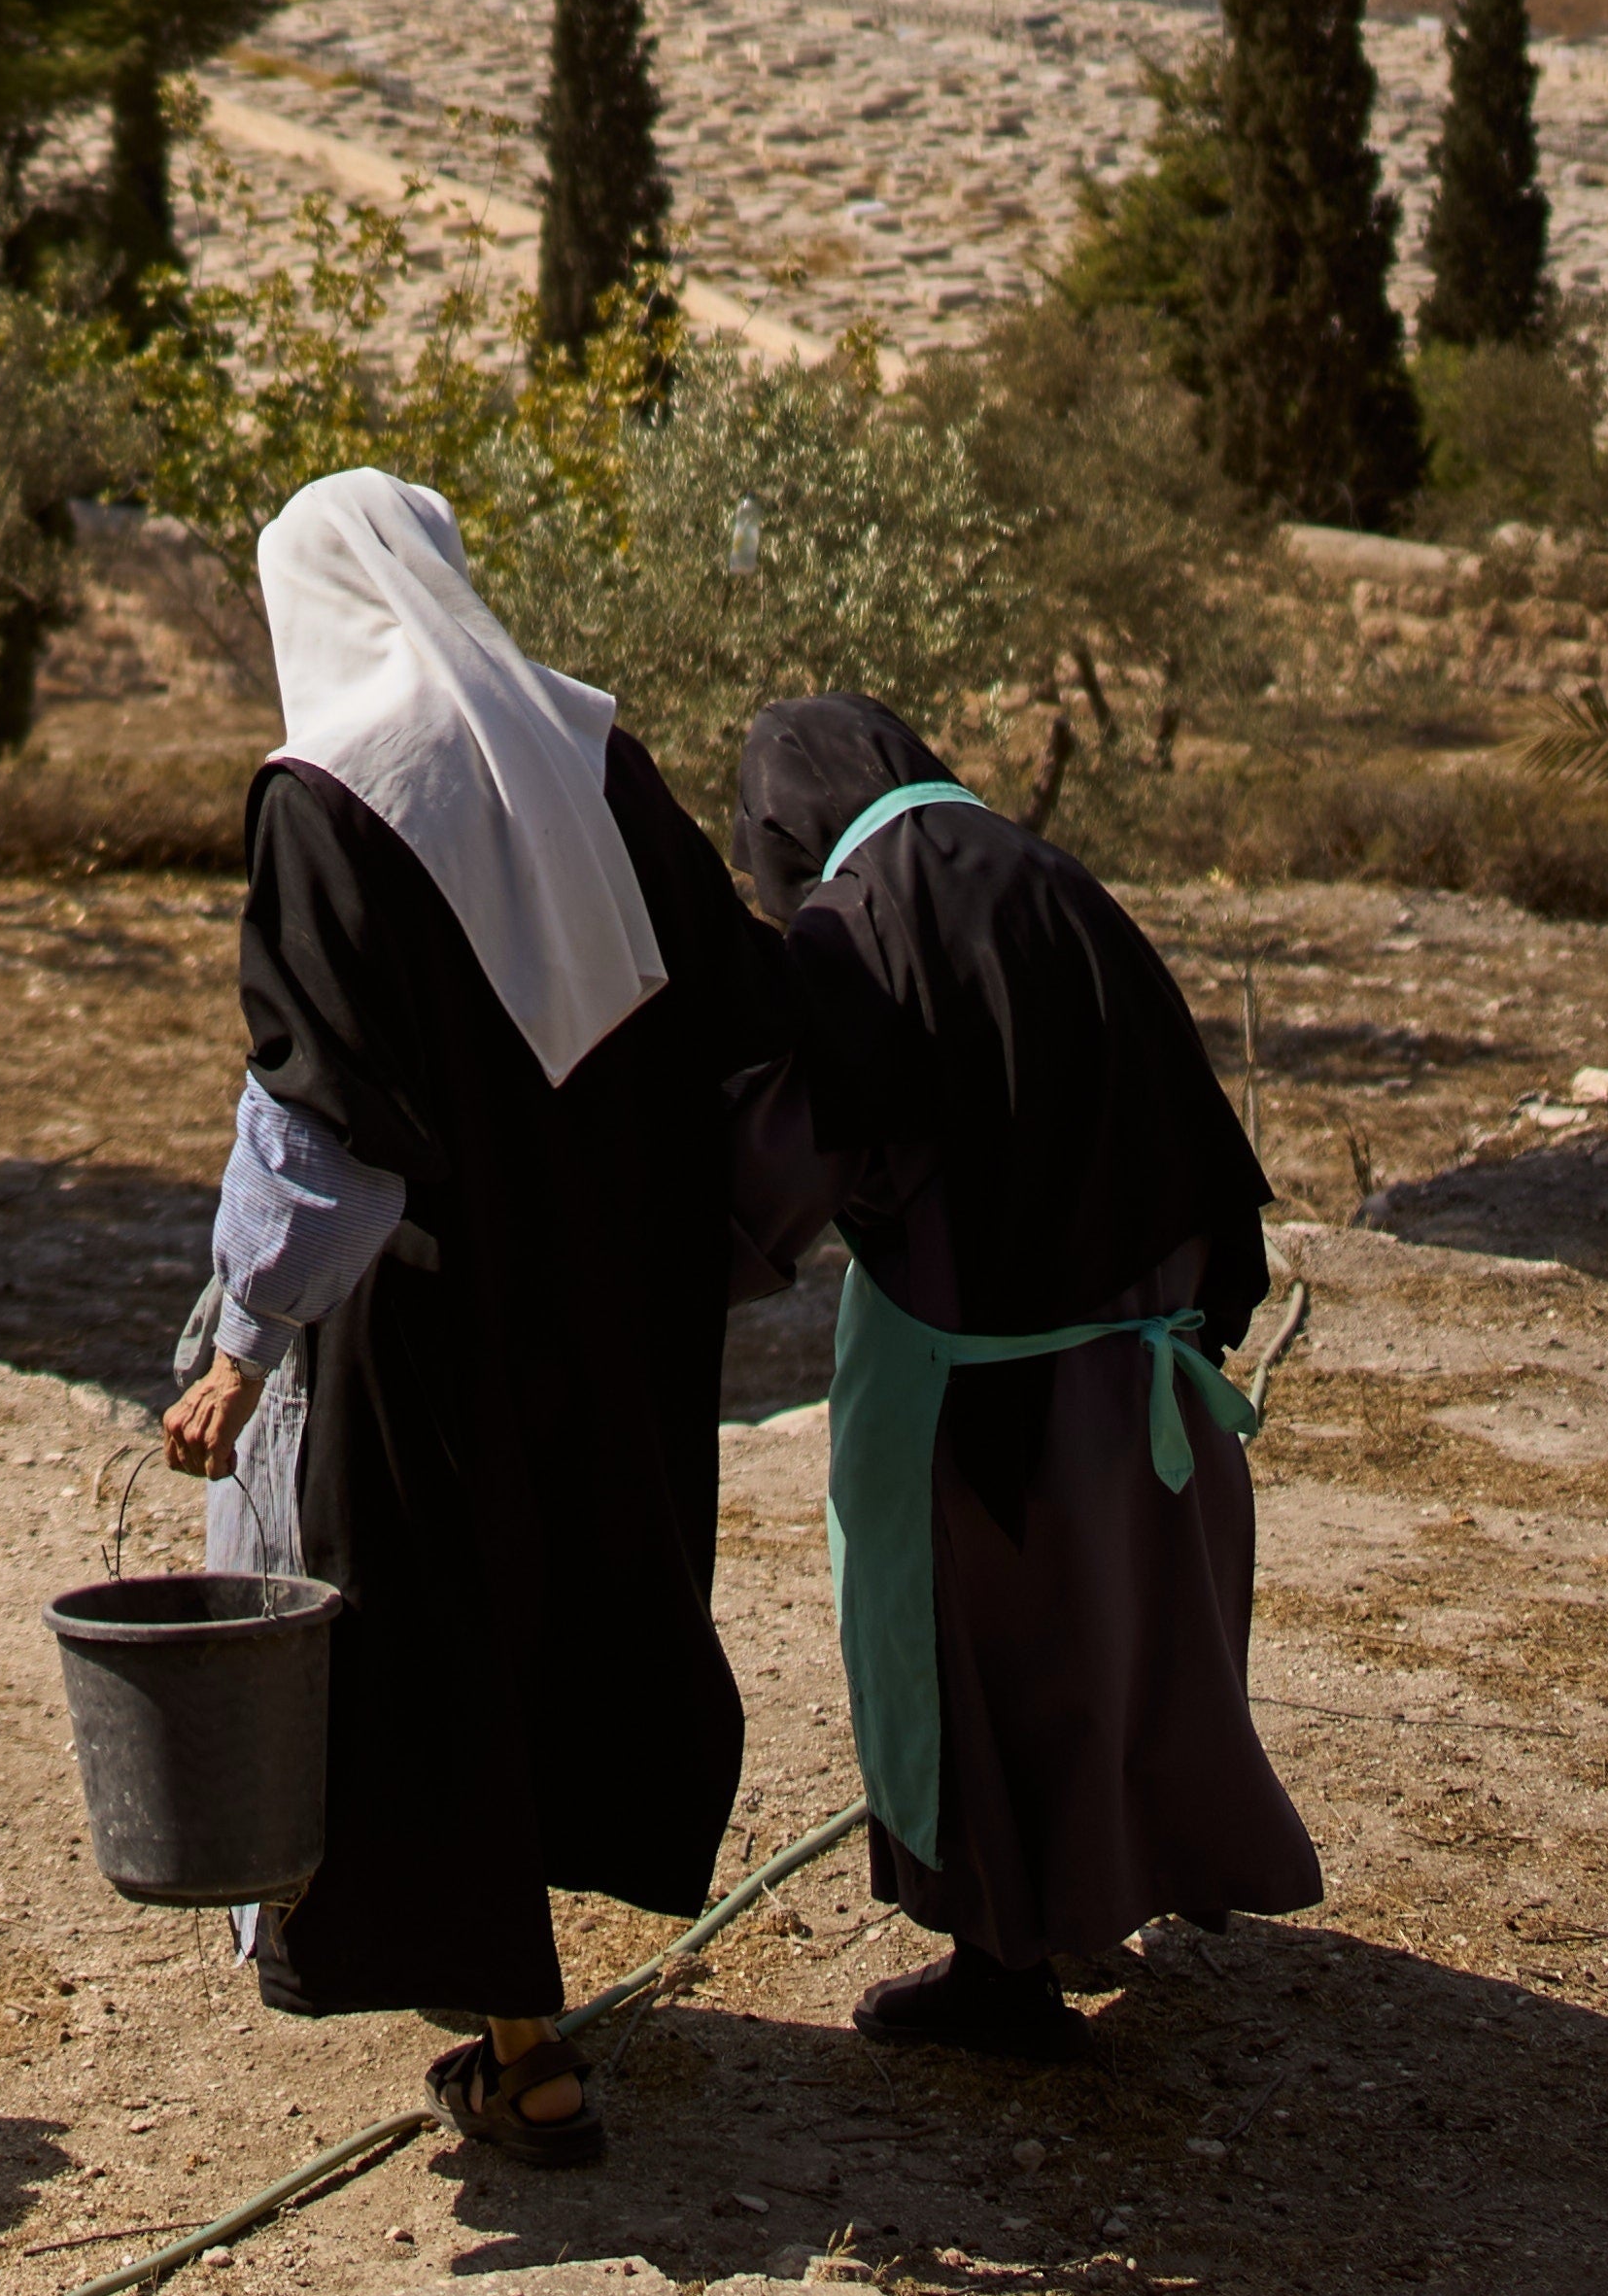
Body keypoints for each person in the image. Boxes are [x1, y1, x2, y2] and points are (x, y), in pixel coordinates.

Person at [156, 471, 785, 2165]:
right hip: (612, 1293)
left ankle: (525, 2045)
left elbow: (316, 1109)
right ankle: (516, 2009)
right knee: (558, 1602)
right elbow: (734, 1000)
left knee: (421, 1641)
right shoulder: (589, 746)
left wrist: (243, 1335)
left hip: (427, 1311)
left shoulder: (322, 793)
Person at [726, 691, 1324, 2061]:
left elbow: (788, 1167)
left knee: (974, 1674)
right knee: (1118, 1644)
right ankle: (1101, 1893)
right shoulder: (1050, 873)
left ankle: (1002, 1966)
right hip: (1145, 1370)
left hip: (978, 1394)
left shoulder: (856, 926)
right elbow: (1187, 1118)